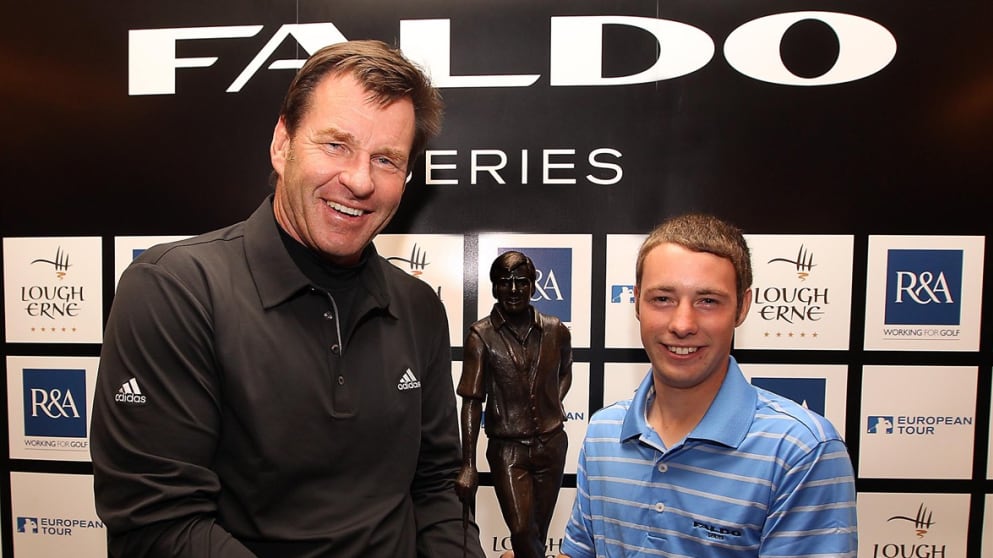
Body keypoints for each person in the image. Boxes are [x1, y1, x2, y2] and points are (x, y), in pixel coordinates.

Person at [90, 40, 485, 558]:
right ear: (282, 145)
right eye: (336, 145)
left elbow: (436, 489)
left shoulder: (418, 306)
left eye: (386, 160)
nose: (359, 180)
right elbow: (158, 526)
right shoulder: (175, 290)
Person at [557, 214, 857, 557]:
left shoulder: (801, 450)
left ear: (742, 307)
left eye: (708, 301)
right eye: (663, 299)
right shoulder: (604, 432)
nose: (682, 324)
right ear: (637, 301)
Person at [455, 251, 573, 558]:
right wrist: (468, 464)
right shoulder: (480, 335)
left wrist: (554, 402)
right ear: (495, 287)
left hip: (552, 443)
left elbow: (565, 371)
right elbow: (471, 401)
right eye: (505, 282)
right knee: (521, 530)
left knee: (538, 530)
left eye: (521, 281)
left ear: (533, 285)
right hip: (508, 449)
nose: (513, 289)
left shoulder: (555, 329)